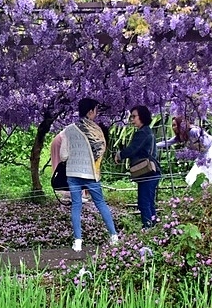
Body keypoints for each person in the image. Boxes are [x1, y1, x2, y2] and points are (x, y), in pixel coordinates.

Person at [56, 98, 119, 252]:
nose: (96, 113)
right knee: (100, 203)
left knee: (76, 205)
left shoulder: (68, 129)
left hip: (73, 173)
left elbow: (63, 155)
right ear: (90, 111)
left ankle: (78, 241)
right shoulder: (97, 130)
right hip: (91, 173)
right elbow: (101, 150)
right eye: (96, 110)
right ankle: (114, 236)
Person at [116, 105, 161, 228]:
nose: (132, 119)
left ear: (142, 116)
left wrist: (119, 155)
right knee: (149, 202)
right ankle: (154, 229)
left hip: (148, 173)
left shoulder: (143, 132)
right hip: (151, 172)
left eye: (134, 116)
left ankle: (148, 229)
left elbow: (132, 149)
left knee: (144, 202)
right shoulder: (147, 131)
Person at [157, 116, 212, 185]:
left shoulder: (193, 131)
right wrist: (153, 145)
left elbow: (205, 144)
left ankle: (210, 190)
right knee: (195, 176)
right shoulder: (181, 136)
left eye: (175, 125)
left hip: (211, 150)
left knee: (207, 174)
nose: (173, 127)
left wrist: (202, 159)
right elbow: (167, 142)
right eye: (172, 125)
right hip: (202, 154)